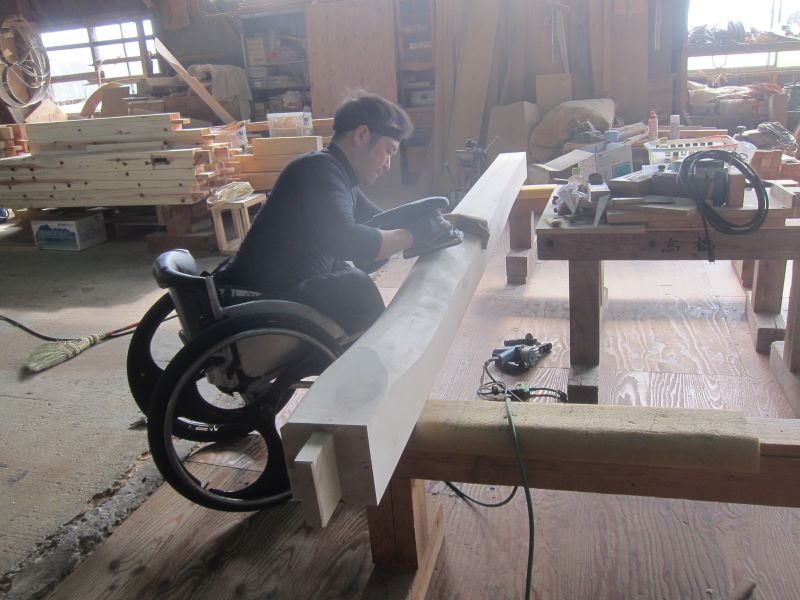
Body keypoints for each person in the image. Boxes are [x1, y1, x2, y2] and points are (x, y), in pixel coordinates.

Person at [214, 93, 422, 334]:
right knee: (355, 288)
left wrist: (427, 218)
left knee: (350, 276)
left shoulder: (339, 176)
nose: (387, 164)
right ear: (362, 135)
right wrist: (411, 237)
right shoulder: (318, 171)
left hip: (272, 294)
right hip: (252, 301)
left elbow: (383, 221)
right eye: (388, 150)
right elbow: (347, 241)